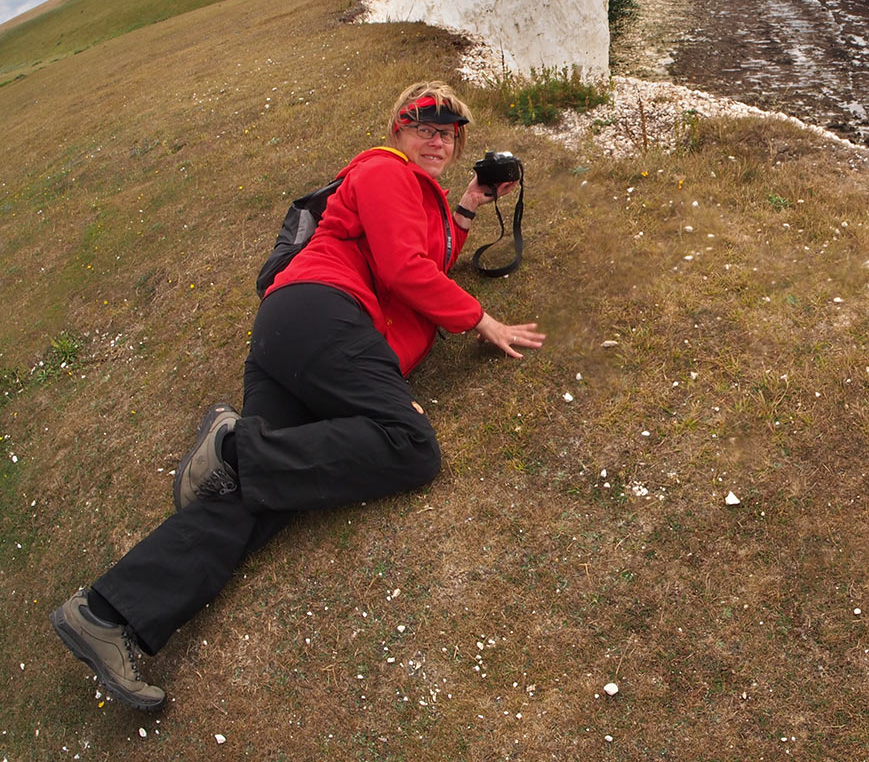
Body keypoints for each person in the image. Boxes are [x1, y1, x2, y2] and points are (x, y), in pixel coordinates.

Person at [49, 80, 544, 710]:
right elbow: (401, 269)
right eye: (421, 125)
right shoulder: (383, 171)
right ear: (395, 129)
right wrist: (482, 320)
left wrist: (470, 202)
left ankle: (106, 612)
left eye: (447, 132)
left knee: (261, 498)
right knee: (410, 447)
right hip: (323, 315)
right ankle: (235, 447)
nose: (435, 139)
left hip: (295, 336)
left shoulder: (419, 198)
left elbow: (429, 259)